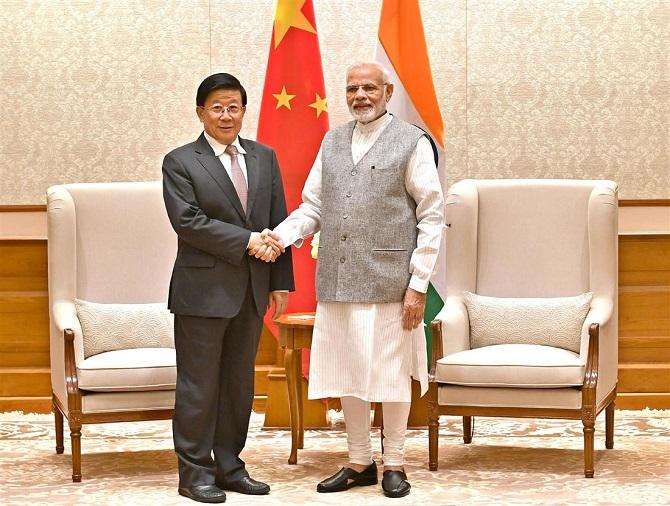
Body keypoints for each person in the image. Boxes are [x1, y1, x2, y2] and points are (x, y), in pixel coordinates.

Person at [253, 62, 444, 498]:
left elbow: (432, 215)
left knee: (392, 375)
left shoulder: (411, 141)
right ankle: (360, 461)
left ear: (388, 91)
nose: (360, 96)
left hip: (392, 283)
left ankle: (394, 462)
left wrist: (417, 285)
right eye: (352, 89)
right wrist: (279, 237)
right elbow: (313, 206)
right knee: (349, 372)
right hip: (338, 280)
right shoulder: (332, 140)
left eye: (369, 88)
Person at [162, 73, 293, 503]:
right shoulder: (180, 161)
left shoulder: (263, 157)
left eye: (234, 106)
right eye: (217, 107)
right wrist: (248, 241)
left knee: (238, 385)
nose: (226, 115)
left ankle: (230, 466)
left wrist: (280, 282)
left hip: (252, 291)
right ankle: (195, 472)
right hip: (201, 293)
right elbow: (189, 222)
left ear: (243, 110)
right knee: (199, 384)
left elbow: (278, 218)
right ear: (201, 112)